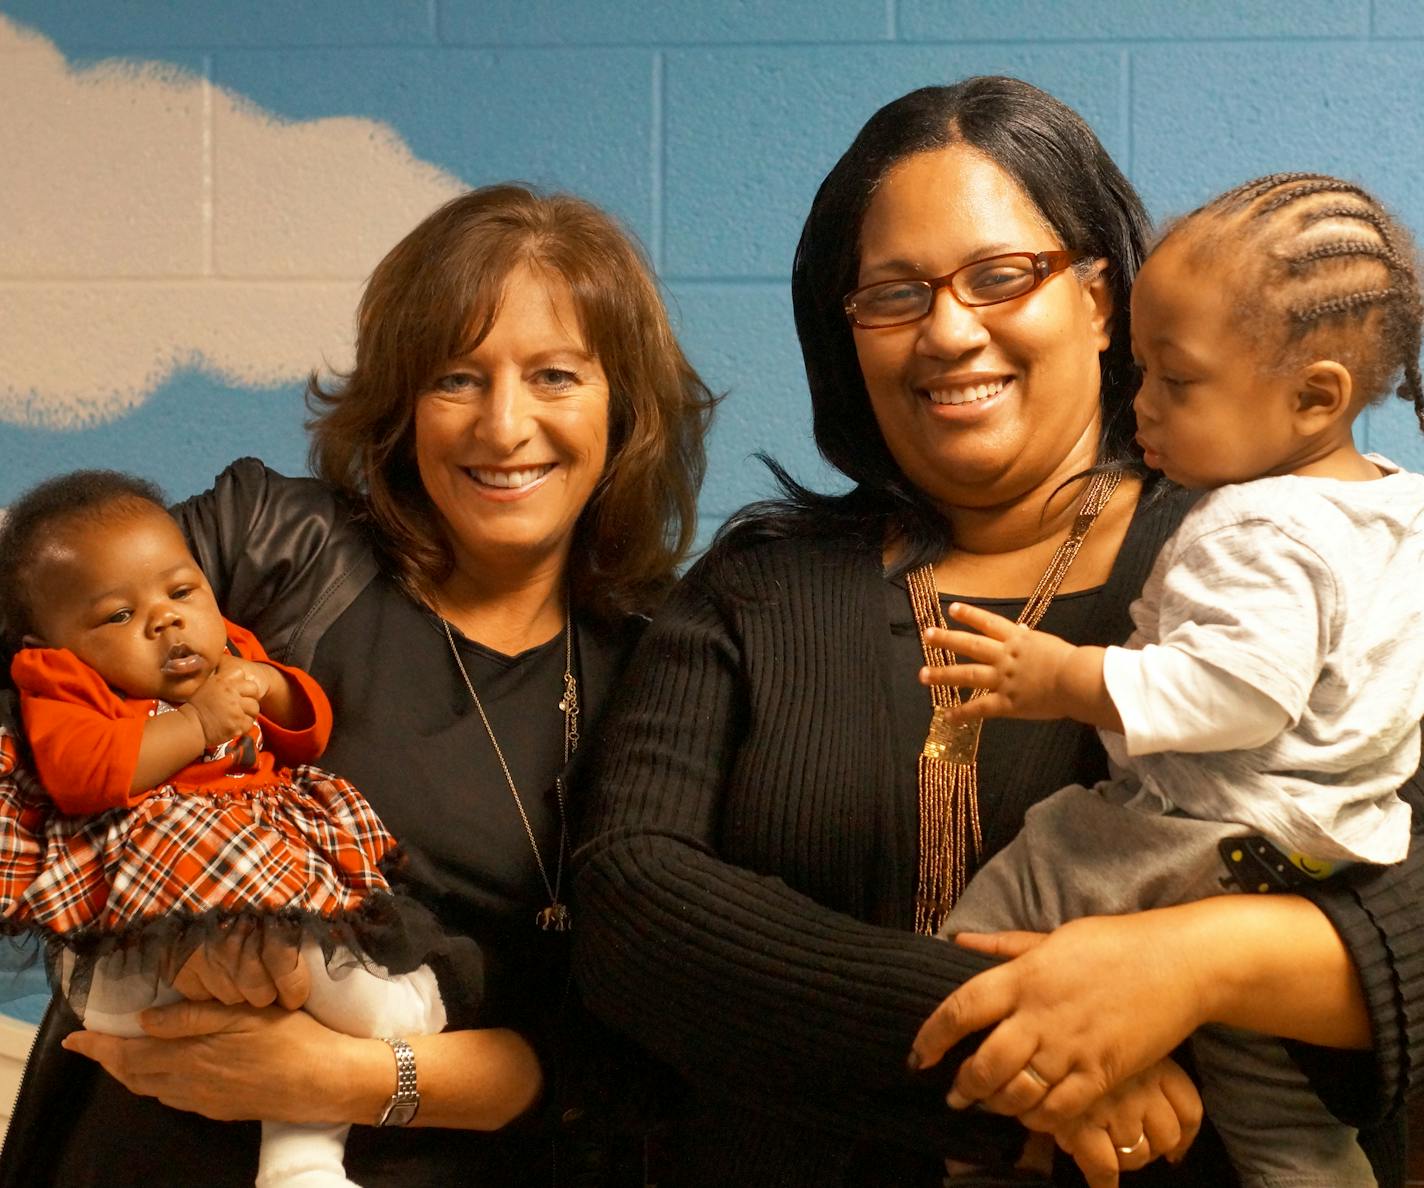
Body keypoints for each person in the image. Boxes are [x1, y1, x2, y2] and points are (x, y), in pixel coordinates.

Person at [572, 78, 1424, 1187]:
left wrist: (1184, 968)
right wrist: (1018, 1049)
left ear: (1100, 298)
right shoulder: (754, 591)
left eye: (999, 275)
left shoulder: (1275, 554)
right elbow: (631, 904)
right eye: (890, 293)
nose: (946, 329)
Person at [0, 183, 715, 1187]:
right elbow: (28, 692)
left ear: (623, 405)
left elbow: (639, 1065)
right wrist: (141, 922)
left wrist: (348, 1078)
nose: (504, 427)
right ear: (400, 401)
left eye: (554, 375)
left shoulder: (670, 661)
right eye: (456, 379)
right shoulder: (272, 544)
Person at [927, 173, 1424, 1187]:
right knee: (1273, 1105)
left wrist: (1068, 676)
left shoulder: (1253, 526)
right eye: (1140, 369)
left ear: (1313, 396)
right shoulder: (1395, 512)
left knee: (1010, 893)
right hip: (1330, 856)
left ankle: (981, 1128)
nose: (1140, 404)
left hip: (1213, 832)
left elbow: (1241, 691)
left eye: (1176, 381)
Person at [0, 469, 454, 1188]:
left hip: (254, 867)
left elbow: (307, 735)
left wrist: (271, 686)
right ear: (51, 644)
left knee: (298, 995)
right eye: (117, 616)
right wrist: (198, 723)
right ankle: (378, 1019)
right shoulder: (63, 686)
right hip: (154, 874)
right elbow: (81, 775)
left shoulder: (229, 649)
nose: (165, 621)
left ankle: (299, 1162)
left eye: (182, 593)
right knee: (238, 996)